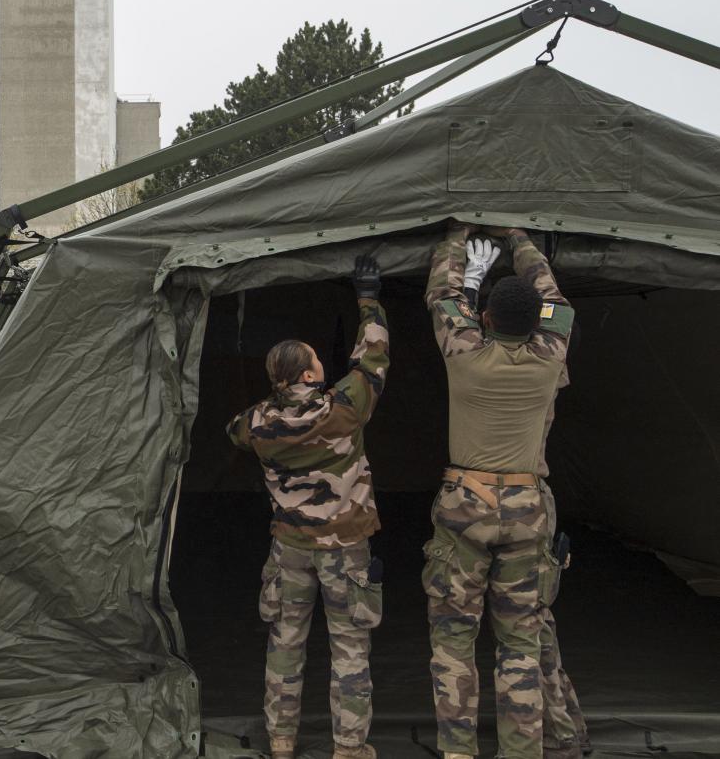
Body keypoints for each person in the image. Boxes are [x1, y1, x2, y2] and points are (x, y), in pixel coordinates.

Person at [422, 225, 575, 759]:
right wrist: (518, 238)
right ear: (539, 325)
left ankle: (459, 752)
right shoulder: (550, 355)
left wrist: (457, 237)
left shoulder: (464, 352)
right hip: (528, 512)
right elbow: (554, 296)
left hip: (466, 506)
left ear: (484, 320)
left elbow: (442, 293)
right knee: (520, 644)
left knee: (453, 638)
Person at [228, 254, 389, 759]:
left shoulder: (257, 424)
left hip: (290, 551)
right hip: (345, 550)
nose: (324, 361)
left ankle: (280, 740)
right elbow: (374, 358)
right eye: (317, 357)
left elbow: (234, 431)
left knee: (285, 644)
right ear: (308, 371)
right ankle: (348, 749)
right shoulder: (345, 406)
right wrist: (368, 300)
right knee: (350, 649)